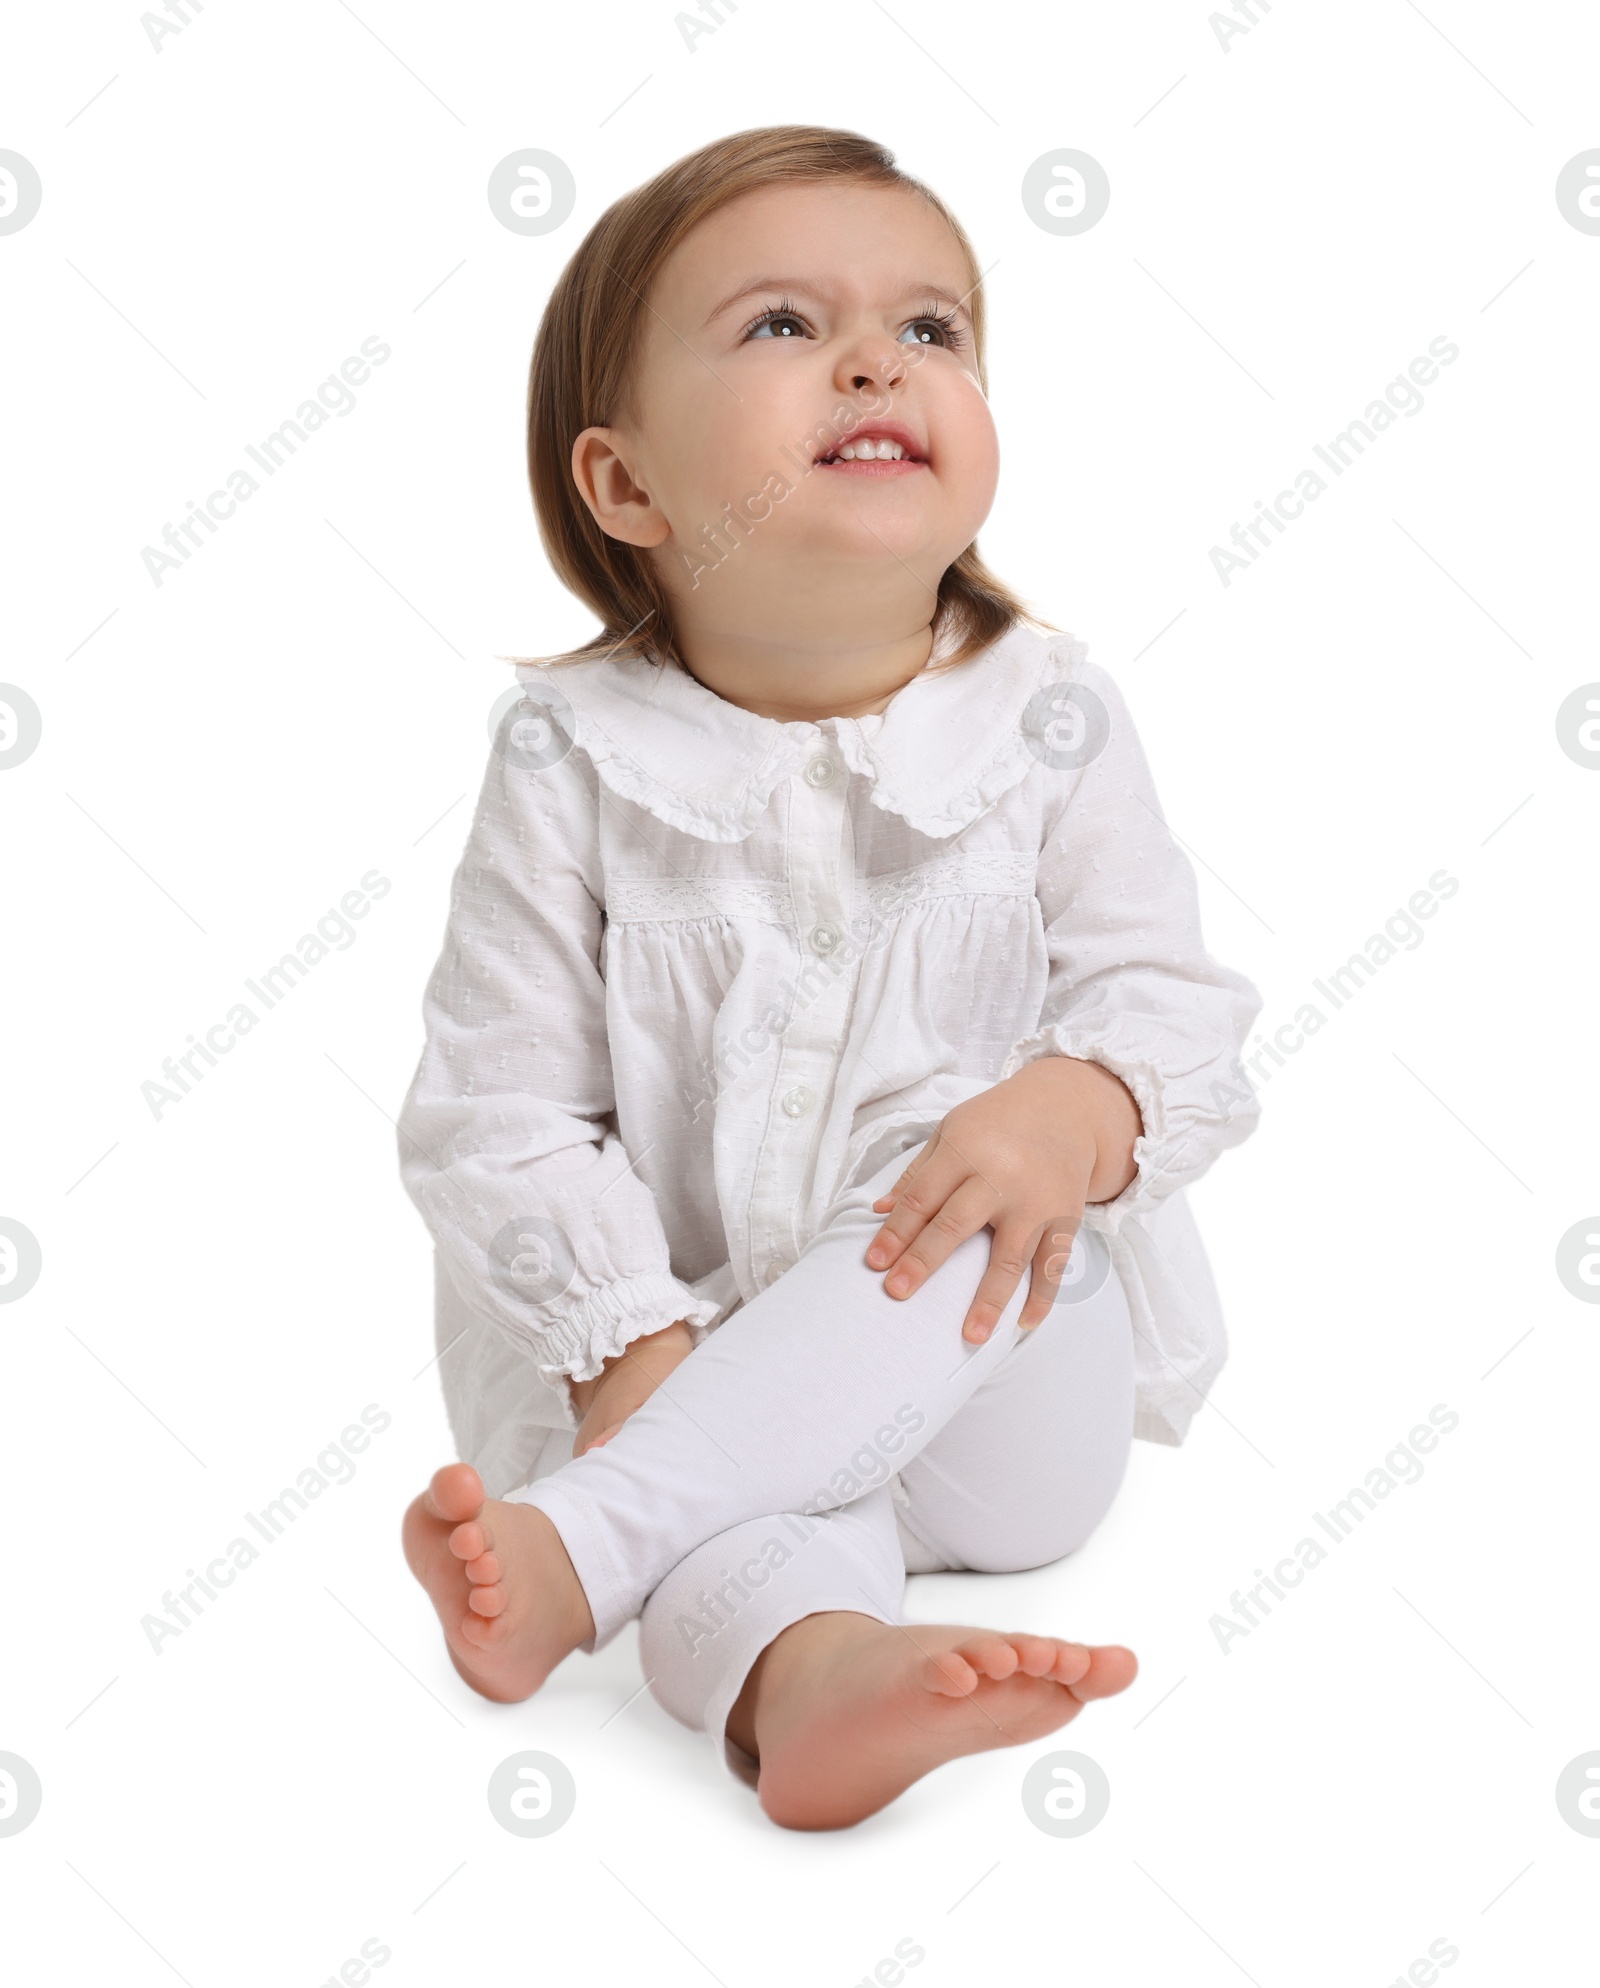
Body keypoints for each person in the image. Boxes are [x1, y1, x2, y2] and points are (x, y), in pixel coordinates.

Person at [398, 124, 1262, 1831]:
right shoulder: (571, 753)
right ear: (627, 485)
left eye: (931, 329)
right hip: (670, 1371)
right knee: (761, 1527)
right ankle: (816, 1683)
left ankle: (599, 1537)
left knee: (951, 1149)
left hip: (1011, 1373)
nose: (878, 357)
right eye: (785, 325)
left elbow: (1181, 1010)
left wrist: (1076, 1108)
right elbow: (490, 1114)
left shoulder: (1048, 712)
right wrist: (625, 1337)